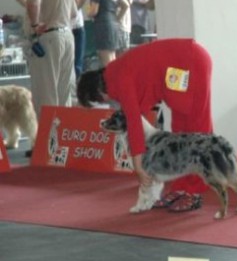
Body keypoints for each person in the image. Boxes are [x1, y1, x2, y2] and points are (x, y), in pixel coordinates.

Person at [76, 38, 213, 212]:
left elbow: (134, 124)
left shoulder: (120, 79)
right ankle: (181, 187)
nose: (106, 102)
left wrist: (139, 167)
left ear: (99, 92)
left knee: (197, 129)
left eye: (98, 100)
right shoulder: (114, 74)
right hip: (177, 72)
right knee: (180, 133)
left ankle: (194, 192)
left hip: (192, 61)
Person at [23, 0, 77, 119]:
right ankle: (63, 139)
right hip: (67, 37)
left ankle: (46, 143)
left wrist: (34, 25)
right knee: (64, 94)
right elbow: (74, 13)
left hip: (49, 39)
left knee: (45, 94)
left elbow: (33, 1)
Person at [87, 0, 130, 67]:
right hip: (114, 25)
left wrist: (88, 13)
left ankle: (110, 82)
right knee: (113, 58)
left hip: (102, 26)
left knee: (106, 61)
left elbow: (94, 11)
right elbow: (126, 5)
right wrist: (117, 18)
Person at [63, 0, 90, 77]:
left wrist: (77, 7)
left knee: (78, 61)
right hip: (67, 27)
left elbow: (82, 0)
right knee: (68, 60)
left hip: (78, 27)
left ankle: (78, 84)